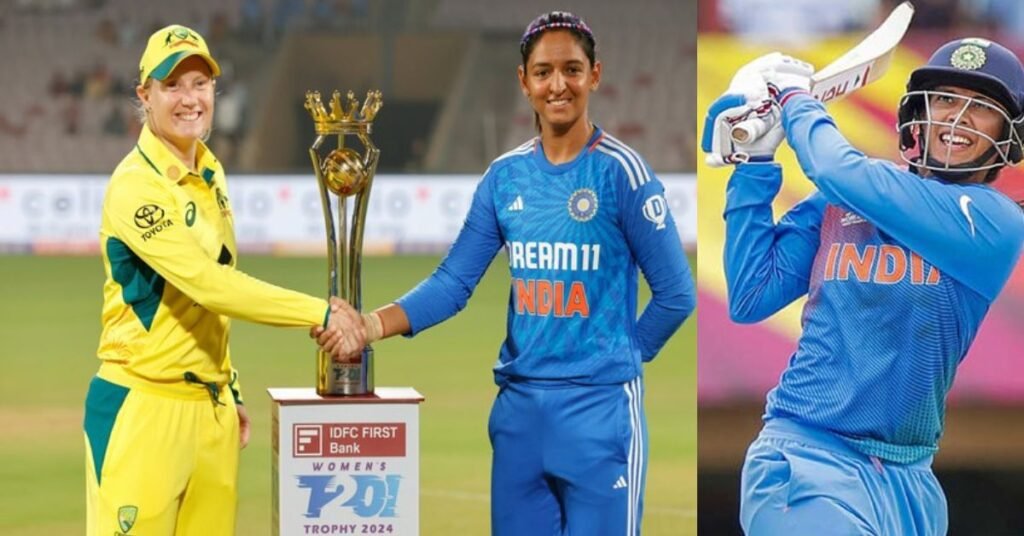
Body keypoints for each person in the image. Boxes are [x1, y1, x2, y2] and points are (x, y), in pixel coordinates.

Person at [316, 10, 695, 536]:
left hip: (600, 416)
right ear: (524, 82)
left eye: (572, 69)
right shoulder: (504, 178)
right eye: (543, 72)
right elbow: (453, 283)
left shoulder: (621, 172)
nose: (557, 85)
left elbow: (677, 294)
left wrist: (617, 359)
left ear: (595, 75)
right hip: (519, 419)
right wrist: (371, 324)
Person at [703, 38, 1024, 534]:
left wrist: (795, 100)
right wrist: (756, 167)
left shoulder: (993, 221)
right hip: (805, 460)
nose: (957, 119)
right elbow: (750, 293)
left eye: (980, 108)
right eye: (944, 100)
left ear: (1008, 132)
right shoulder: (846, 199)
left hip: (911, 485)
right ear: (918, 113)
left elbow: (835, 167)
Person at [83, 24, 362, 535]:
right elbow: (208, 285)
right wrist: (321, 312)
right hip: (142, 411)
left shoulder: (211, 172)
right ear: (145, 95)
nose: (190, 99)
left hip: (210, 414)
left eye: (200, 84)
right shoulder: (134, 186)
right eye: (173, 86)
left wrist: (227, 386)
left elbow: (209, 300)